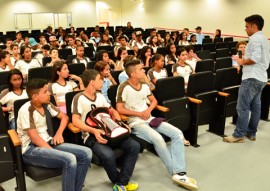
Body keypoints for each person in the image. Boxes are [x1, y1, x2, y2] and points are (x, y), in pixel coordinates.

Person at [116, 59, 198, 191]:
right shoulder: (123, 87)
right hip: (135, 122)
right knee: (158, 139)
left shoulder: (144, 84)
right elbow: (119, 108)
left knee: (177, 133)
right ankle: (177, 173)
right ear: (133, 74)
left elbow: (153, 101)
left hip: (150, 118)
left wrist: (148, 110)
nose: (144, 70)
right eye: (141, 69)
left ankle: (179, 172)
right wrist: (138, 113)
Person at [16, 78, 92, 191]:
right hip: (31, 149)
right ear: (35, 96)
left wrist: (58, 134)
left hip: (48, 142)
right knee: (69, 159)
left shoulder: (47, 104)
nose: (49, 94)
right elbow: (35, 138)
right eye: (45, 92)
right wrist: (54, 152)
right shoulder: (26, 110)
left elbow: (65, 117)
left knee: (86, 153)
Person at [72, 69, 140, 191]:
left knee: (134, 146)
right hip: (91, 136)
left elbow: (112, 110)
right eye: (100, 79)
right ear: (92, 82)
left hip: (109, 132)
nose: (103, 82)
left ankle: (121, 183)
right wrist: (93, 131)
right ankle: (120, 182)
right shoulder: (79, 97)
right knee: (108, 155)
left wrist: (119, 123)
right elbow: (75, 120)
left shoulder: (99, 96)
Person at [224, 15, 270, 143]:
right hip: (261, 77)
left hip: (251, 78)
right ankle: (251, 133)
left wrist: (240, 61)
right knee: (255, 107)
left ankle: (239, 135)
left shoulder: (255, 39)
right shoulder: (264, 39)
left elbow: (254, 59)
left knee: (242, 107)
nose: (245, 29)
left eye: (247, 26)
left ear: (254, 26)